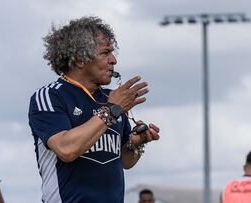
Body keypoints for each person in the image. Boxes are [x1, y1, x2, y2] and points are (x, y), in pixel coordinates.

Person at [28, 16, 160, 203]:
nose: (113, 60)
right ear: (81, 59)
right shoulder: (50, 96)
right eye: (105, 53)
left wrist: (136, 144)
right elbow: (66, 149)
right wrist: (112, 110)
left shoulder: (111, 99)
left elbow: (125, 161)